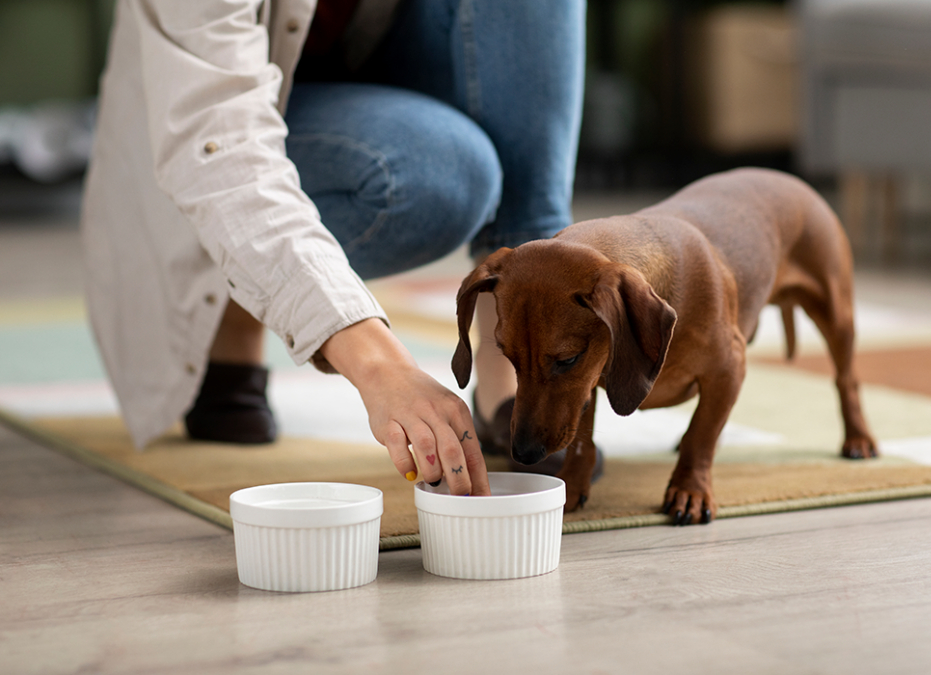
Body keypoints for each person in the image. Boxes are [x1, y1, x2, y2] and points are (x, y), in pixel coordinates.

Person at [80, 0, 585, 497]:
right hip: (217, 130)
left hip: (379, 75)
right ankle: (232, 308)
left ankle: (511, 372)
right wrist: (380, 366)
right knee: (442, 178)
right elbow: (220, 145)